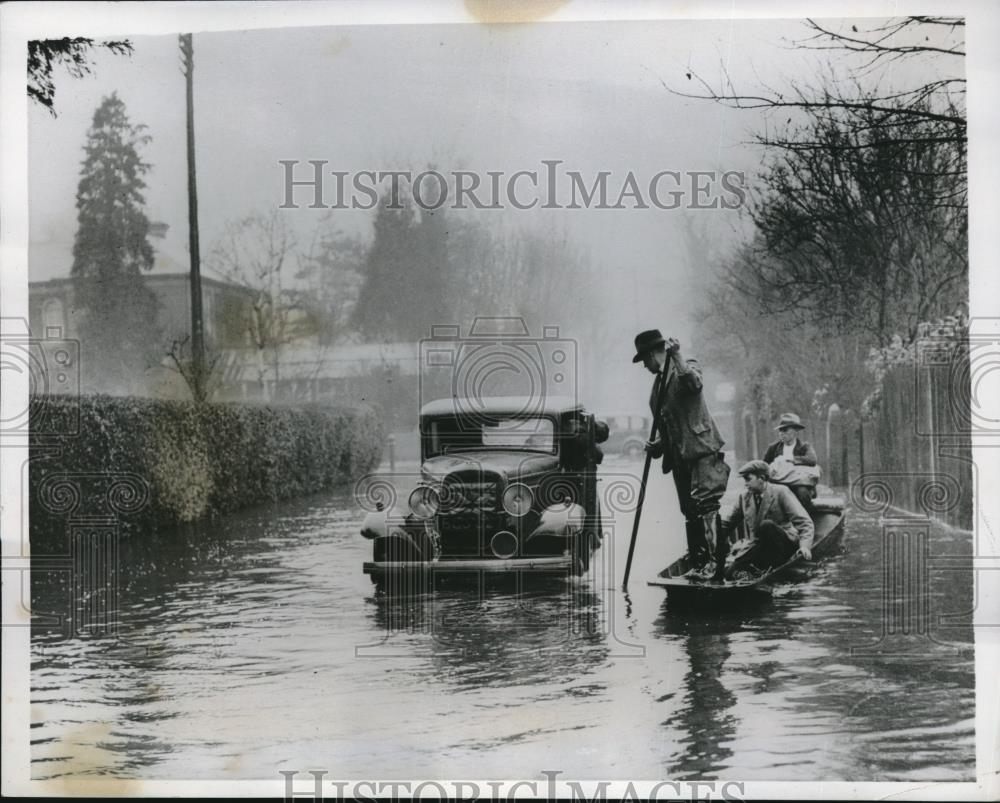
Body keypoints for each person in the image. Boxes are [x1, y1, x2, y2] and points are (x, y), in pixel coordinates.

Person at [632, 329, 731, 573]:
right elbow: (668, 429)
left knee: (707, 505)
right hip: (678, 458)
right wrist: (657, 446)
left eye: (645, 360)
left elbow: (694, 385)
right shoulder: (655, 391)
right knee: (689, 509)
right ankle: (699, 562)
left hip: (701, 450)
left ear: (657, 353)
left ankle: (718, 565)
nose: (645, 366)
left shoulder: (684, 366)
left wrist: (676, 356)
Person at [721, 460, 814, 578]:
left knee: (766, 525)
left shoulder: (781, 491)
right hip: (760, 547)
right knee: (729, 573)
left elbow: (804, 522)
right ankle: (759, 566)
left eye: (748, 479)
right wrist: (713, 537)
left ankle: (772, 567)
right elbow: (727, 524)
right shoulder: (744, 497)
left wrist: (805, 547)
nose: (745, 484)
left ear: (762, 478)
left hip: (783, 545)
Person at [762, 412, 819, 511]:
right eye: (780, 430)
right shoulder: (773, 448)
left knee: (803, 492)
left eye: (785, 430)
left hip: (799, 484)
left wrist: (790, 459)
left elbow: (812, 459)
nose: (782, 433)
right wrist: (773, 467)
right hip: (780, 483)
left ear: (796, 431)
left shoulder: (804, 447)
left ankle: (805, 520)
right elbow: (764, 466)